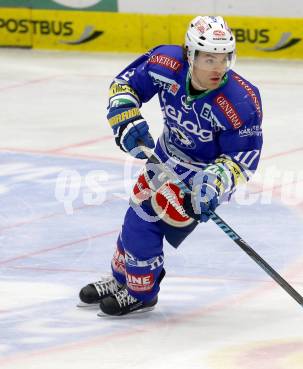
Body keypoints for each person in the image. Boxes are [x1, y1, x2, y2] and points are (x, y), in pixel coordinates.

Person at [78, 15, 263, 316]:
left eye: (224, 58)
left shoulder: (240, 100)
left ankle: (142, 292)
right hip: (165, 155)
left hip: (200, 176)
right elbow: (125, 85)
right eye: (209, 59)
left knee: (146, 218)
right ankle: (122, 277)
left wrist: (214, 181)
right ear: (190, 55)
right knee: (135, 212)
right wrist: (125, 116)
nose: (218, 67)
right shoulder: (166, 62)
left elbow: (241, 159)